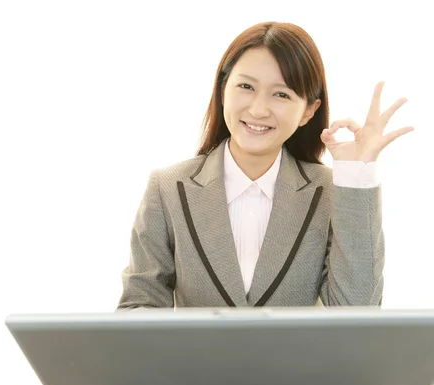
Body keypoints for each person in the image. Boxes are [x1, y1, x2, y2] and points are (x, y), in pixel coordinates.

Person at [117, 21, 413, 309]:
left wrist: (355, 175)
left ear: (309, 111)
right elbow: (139, 308)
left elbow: (356, 313)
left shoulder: (330, 193)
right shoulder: (168, 188)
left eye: (281, 94)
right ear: (223, 91)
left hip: (295, 362)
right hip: (196, 362)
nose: (258, 109)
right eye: (246, 86)